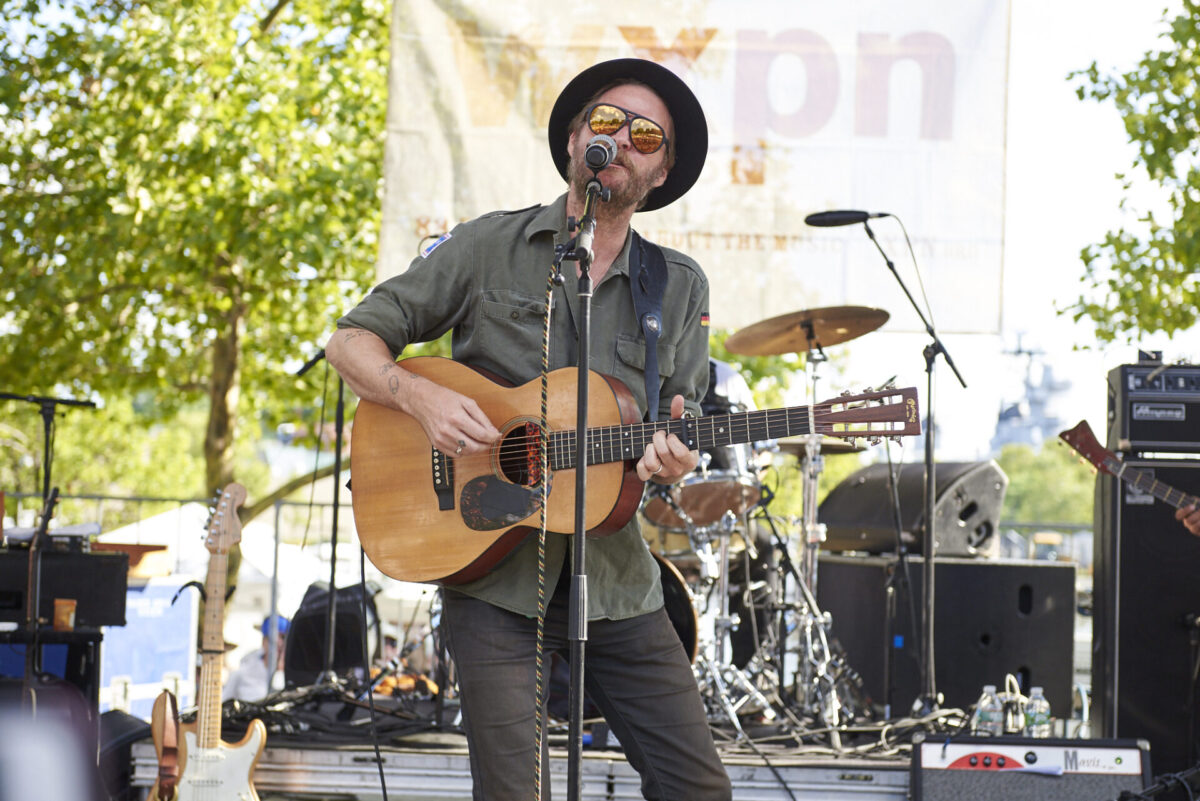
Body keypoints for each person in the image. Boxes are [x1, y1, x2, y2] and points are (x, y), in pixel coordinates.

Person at [326, 58, 731, 801]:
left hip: (615, 579)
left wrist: (675, 454)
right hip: (489, 573)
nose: (622, 140)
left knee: (699, 788)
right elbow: (350, 341)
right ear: (576, 138)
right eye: (606, 121)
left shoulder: (676, 285)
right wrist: (421, 398)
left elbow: (683, 415)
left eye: (645, 136)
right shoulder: (488, 246)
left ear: (661, 172)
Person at [223, 615, 288, 701]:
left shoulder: (293, 676)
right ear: (264, 642)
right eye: (272, 638)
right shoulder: (243, 673)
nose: (279, 643)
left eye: (283, 637)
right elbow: (224, 702)